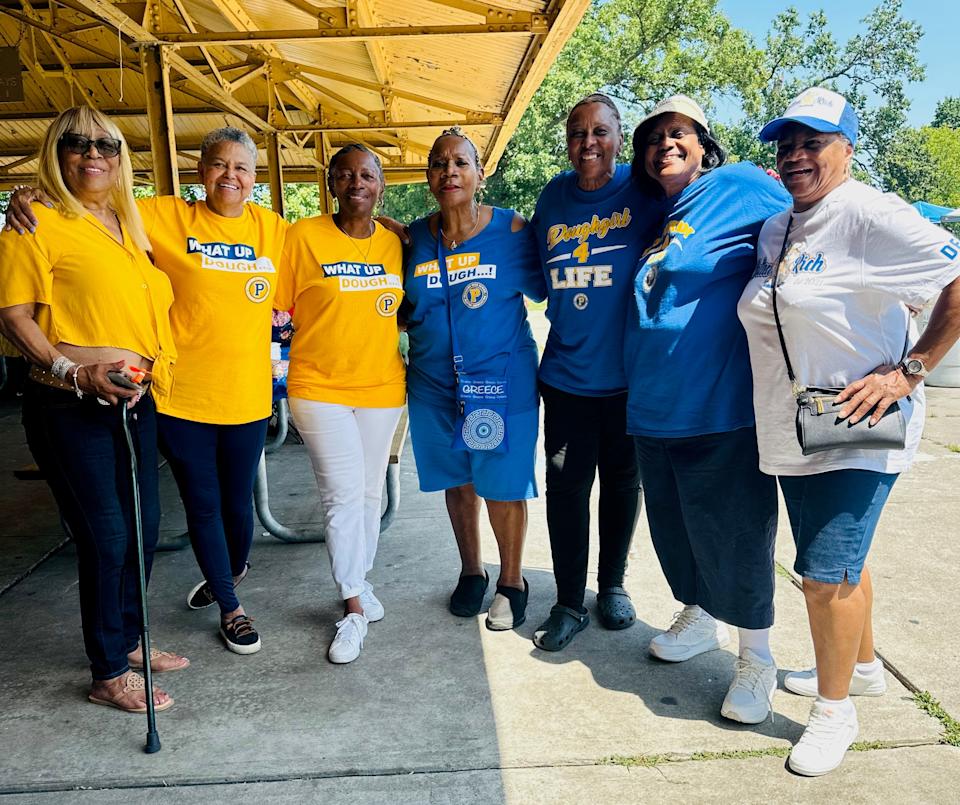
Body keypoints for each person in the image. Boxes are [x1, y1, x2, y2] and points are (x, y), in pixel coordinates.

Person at [738, 87, 960, 776]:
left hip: (860, 427)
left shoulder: (867, 213)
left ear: (848, 149)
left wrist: (908, 371)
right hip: (802, 427)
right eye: (787, 142)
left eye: (814, 141)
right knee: (838, 560)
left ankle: (835, 712)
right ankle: (861, 667)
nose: (796, 154)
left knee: (821, 575)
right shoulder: (780, 227)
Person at [6, 127, 289, 656]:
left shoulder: (273, 228)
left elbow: (323, 256)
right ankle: (231, 607)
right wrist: (29, 196)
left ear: (255, 177)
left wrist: (396, 232)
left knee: (237, 510)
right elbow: (92, 194)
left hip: (248, 393)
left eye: (242, 167)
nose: (231, 175)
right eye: (218, 164)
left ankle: (228, 573)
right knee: (200, 506)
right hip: (179, 395)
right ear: (200, 171)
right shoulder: (161, 216)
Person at [0, 106, 185, 713]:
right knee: (106, 536)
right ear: (57, 153)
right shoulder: (37, 221)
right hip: (67, 404)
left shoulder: (130, 223)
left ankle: (128, 639)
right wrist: (73, 371)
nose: (92, 154)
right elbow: (13, 315)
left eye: (105, 143)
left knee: (143, 529)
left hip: (135, 400)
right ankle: (107, 671)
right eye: (76, 143)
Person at [625, 96, 791, 723]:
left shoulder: (740, 184)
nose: (665, 144)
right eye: (654, 138)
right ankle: (699, 617)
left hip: (719, 408)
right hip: (653, 407)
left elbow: (812, 218)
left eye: (679, 134)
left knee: (736, 536)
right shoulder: (662, 215)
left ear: (704, 144)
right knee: (674, 529)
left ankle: (756, 659)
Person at [529, 93, 660, 651]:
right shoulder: (552, 198)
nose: (588, 142)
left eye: (600, 131)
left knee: (623, 485)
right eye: (578, 131)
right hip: (565, 379)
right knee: (566, 491)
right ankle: (566, 601)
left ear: (618, 136)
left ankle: (612, 586)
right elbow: (529, 271)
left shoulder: (647, 192)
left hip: (630, 381)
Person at [403, 127, 546, 630]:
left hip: (500, 384)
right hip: (433, 385)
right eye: (439, 164)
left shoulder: (511, 232)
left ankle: (512, 581)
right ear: (428, 178)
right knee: (457, 479)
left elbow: (549, 289)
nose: (450, 172)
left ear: (480, 174)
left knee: (502, 484)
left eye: (460, 162)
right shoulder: (414, 239)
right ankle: (472, 571)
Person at [275, 144, 405, 664]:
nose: (357, 182)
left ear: (380, 186)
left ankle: (359, 580)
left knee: (371, 493)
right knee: (343, 494)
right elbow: (269, 303)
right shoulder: (301, 237)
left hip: (382, 388)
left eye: (368, 175)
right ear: (330, 182)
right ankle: (352, 605)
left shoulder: (397, 242)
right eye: (346, 174)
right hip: (318, 388)